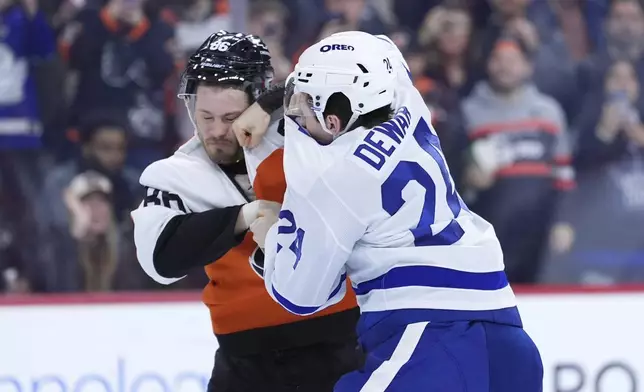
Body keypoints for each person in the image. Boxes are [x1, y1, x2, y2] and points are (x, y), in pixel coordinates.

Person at [241, 31, 543, 391]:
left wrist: (274, 237)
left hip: (427, 342)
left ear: (333, 118)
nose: (295, 114)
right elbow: (380, 45)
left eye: (303, 102)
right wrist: (269, 103)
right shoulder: (404, 98)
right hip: (507, 334)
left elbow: (299, 295)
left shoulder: (336, 181)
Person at [131, 31, 362, 392]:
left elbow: (367, 72)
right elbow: (159, 259)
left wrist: (272, 102)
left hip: (341, 344)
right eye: (205, 116)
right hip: (245, 364)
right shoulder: (177, 174)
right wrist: (244, 216)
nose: (217, 131)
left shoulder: (303, 135)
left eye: (231, 117)